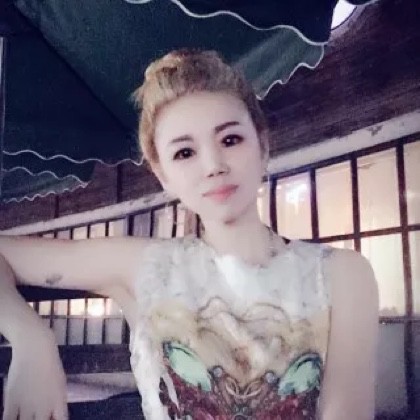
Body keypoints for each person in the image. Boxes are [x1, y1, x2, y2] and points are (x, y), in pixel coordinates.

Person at [0, 49, 379, 420]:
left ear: (263, 146)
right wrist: (32, 338)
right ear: (162, 174)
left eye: (230, 140)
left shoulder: (341, 275)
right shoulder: (145, 267)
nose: (213, 165)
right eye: (184, 153)